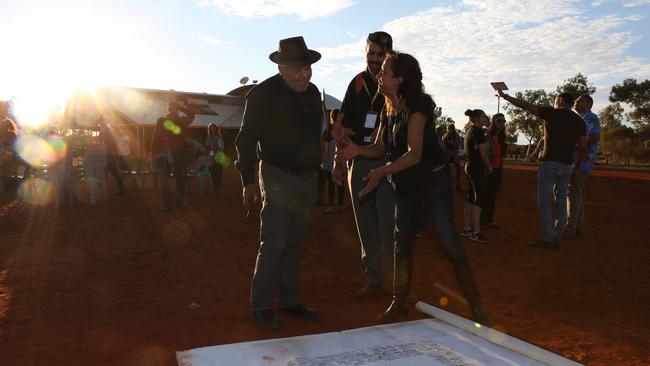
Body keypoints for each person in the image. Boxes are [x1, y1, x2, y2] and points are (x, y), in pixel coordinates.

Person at [337, 51, 488, 325]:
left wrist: (381, 171)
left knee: (449, 244)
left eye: (384, 71)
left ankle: (476, 306)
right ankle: (400, 303)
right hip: (405, 187)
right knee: (402, 246)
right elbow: (381, 147)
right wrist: (357, 149)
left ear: (399, 79)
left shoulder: (417, 107)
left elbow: (414, 154)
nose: (379, 75)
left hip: (432, 185)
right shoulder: (387, 106)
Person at [235, 36, 323, 329]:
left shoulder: (312, 94)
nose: (305, 73)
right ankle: (261, 303)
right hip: (276, 176)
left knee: (295, 242)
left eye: (307, 67)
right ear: (282, 67)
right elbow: (245, 139)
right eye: (298, 68)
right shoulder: (262, 95)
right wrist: (247, 180)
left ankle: (288, 299)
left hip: (307, 179)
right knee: (274, 241)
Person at [333, 31, 395, 297]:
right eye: (370, 53)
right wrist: (338, 159)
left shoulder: (397, 82)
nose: (374, 59)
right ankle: (374, 278)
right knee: (365, 224)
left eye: (380, 55)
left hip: (388, 160)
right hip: (358, 159)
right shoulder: (357, 83)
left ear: (389, 55)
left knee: (389, 223)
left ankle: (397, 283)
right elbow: (343, 127)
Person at [498, 89, 587, 248]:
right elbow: (583, 147)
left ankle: (547, 237)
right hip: (567, 166)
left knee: (545, 202)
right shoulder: (580, 121)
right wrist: (576, 168)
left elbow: (525, 105)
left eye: (555, 99)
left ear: (560, 100)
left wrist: (504, 96)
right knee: (561, 202)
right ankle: (558, 236)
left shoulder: (552, 113)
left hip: (550, 164)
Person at [566, 94, 600, 237]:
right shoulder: (583, 118)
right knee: (576, 193)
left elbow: (594, 136)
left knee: (573, 194)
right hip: (581, 161)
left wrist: (573, 146)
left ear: (588, 103)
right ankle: (578, 226)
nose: (576, 102)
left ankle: (570, 227)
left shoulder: (590, 117)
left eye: (579, 100)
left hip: (580, 161)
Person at [460, 109, 491, 243]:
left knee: (471, 196)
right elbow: (484, 152)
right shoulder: (478, 132)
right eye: (484, 116)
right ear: (477, 119)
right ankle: (476, 232)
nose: (486, 118)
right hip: (476, 167)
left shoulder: (469, 130)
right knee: (479, 197)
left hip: (469, 166)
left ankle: (467, 228)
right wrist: (489, 166)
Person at [163, 101, 195, 208]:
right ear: (176, 109)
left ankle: (168, 203)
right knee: (180, 177)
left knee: (166, 177)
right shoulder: (181, 120)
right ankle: (179, 202)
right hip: (178, 150)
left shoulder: (165, 119)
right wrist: (182, 108)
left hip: (168, 149)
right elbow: (192, 115)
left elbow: (160, 135)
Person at [480, 113, 508, 228]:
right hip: (488, 170)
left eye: (503, 121)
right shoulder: (487, 136)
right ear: (493, 122)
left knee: (493, 195)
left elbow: (502, 156)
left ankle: (489, 220)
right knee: (485, 195)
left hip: (497, 169)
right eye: (499, 121)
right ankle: (481, 221)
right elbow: (483, 153)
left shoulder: (502, 137)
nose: (502, 123)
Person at [319, 109, 345, 213]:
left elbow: (324, 151)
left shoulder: (328, 133)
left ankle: (331, 205)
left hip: (328, 164)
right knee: (341, 185)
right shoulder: (343, 132)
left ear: (331, 118)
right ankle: (340, 206)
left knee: (331, 185)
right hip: (341, 163)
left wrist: (322, 161)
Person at [97, 116, 126, 196]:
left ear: (104, 122)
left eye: (102, 121)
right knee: (114, 172)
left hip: (111, 153)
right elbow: (101, 142)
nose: (100, 123)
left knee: (105, 170)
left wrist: (107, 145)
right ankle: (122, 189)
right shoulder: (101, 132)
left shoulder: (109, 130)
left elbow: (114, 142)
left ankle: (101, 189)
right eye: (99, 122)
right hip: (106, 153)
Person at [205, 123, 224, 193]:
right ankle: (215, 187)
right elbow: (208, 149)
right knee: (213, 173)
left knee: (219, 172)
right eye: (211, 128)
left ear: (216, 129)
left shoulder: (219, 138)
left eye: (213, 128)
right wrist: (211, 154)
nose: (212, 130)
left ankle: (219, 187)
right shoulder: (208, 138)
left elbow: (221, 148)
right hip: (212, 158)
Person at [442, 123, 463, 191]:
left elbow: (456, 145)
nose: (450, 130)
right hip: (447, 156)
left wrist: (448, 143)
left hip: (454, 156)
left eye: (451, 128)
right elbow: (443, 147)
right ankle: (445, 186)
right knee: (446, 171)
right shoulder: (444, 136)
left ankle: (458, 185)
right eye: (449, 128)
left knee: (458, 171)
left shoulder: (456, 136)